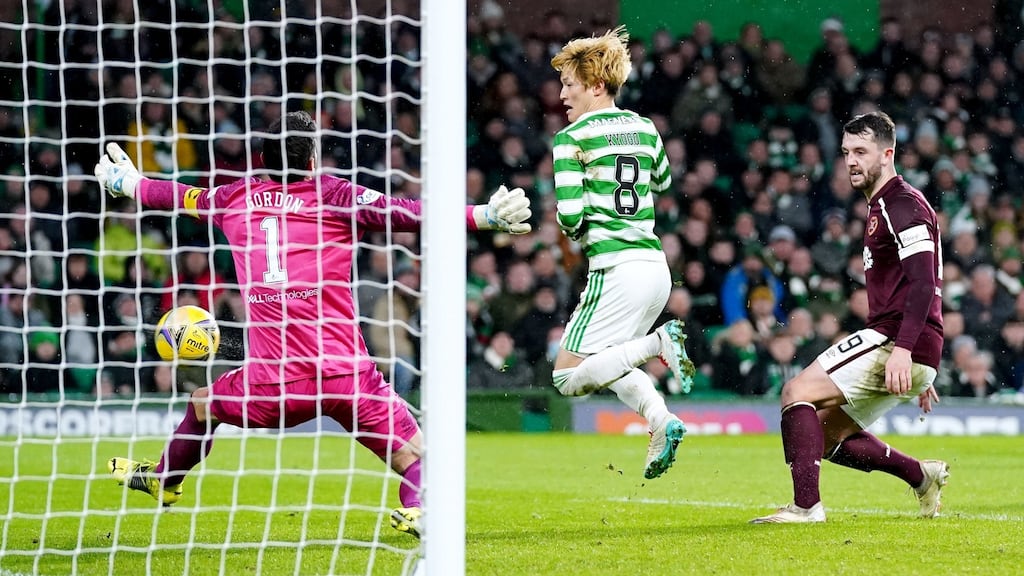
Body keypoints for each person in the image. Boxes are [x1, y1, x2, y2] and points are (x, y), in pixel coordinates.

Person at [93, 110, 532, 539]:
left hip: (276, 383)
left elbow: (182, 197)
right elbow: (406, 212)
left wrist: (130, 184)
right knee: (417, 455)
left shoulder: (235, 199)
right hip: (345, 375)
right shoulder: (335, 195)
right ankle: (420, 510)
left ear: (262, 161)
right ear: (312, 161)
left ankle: (165, 481)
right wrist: (482, 217)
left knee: (204, 404)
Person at [752, 111, 949, 524]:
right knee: (818, 438)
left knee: (795, 392)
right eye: (845, 153)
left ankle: (806, 508)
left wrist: (908, 351)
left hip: (896, 339)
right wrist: (922, 364)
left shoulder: (901, 204)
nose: (851, 161)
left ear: (888, 153)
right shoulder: (885, 205)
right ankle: (921, 475)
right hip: (910, 346)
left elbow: (922, 284)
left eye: (861, 151)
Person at [547, 26, 695, 481]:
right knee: (610, 362)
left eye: (569, 84)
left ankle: (658, 343)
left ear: (594, 85)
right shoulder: (645, 128)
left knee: (567, 377)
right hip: (654, 267)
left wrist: (585, 218)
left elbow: (570, 218)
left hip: (615, 268)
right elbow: (664, 183)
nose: (562, 94)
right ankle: (660, 420)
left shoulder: (572, 139)